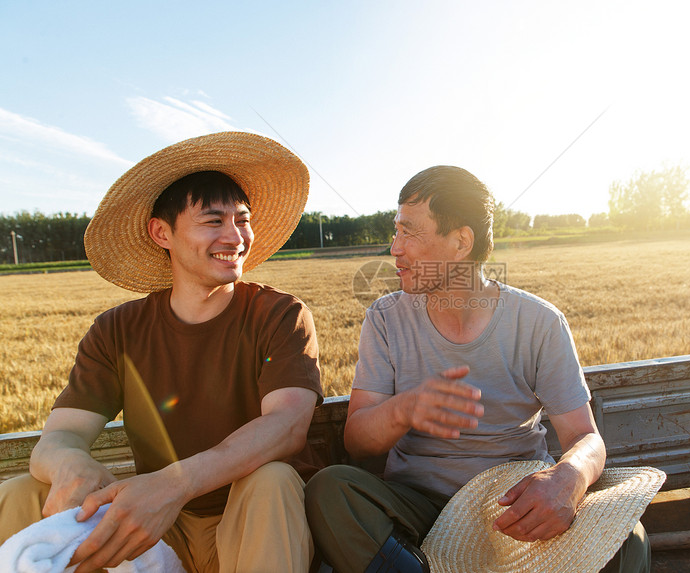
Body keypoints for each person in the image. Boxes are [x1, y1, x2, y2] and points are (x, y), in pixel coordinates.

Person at [0, 132, 323, 573]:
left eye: (242, 219)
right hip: (157, 528)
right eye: (213, 221)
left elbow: (286, 427)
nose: (236, 236)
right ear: (161, 233)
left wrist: (173, 485)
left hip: (246, 521)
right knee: (21, 493)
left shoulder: (279, 314)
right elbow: (59, 438)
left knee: (273, 479)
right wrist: (71, 464)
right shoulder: (117, 330)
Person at [305, 166, 650, 573]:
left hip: (511, 506)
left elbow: (584, 437)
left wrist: (569, 477)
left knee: (628, 539)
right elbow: (358, 442)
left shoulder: (538, 322)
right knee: (329, 490)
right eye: (394, 232)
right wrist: (405, 409)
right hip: (417, 509)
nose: (394, 248)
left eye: (408, 232)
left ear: (460, 242)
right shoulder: (385, 318)